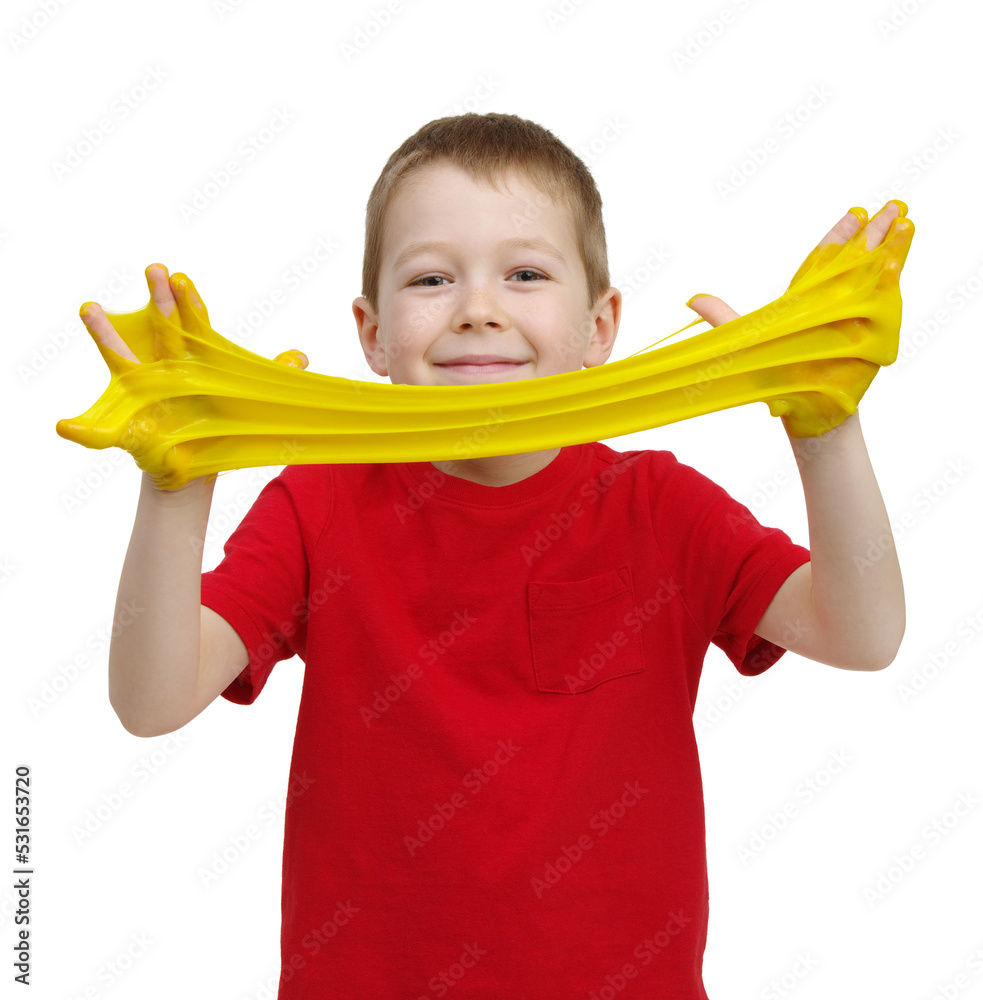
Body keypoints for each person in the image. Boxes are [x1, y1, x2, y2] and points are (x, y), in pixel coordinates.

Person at [83, 112, 905, 998]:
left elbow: (861, 635)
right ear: (371, 335)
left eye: (524, 274)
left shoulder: (659, 505)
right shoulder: (318, 501)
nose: (478, 307)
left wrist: (826, 434)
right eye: (432, 277)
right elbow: (152, 700)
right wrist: (174, 496)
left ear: (600, 326)